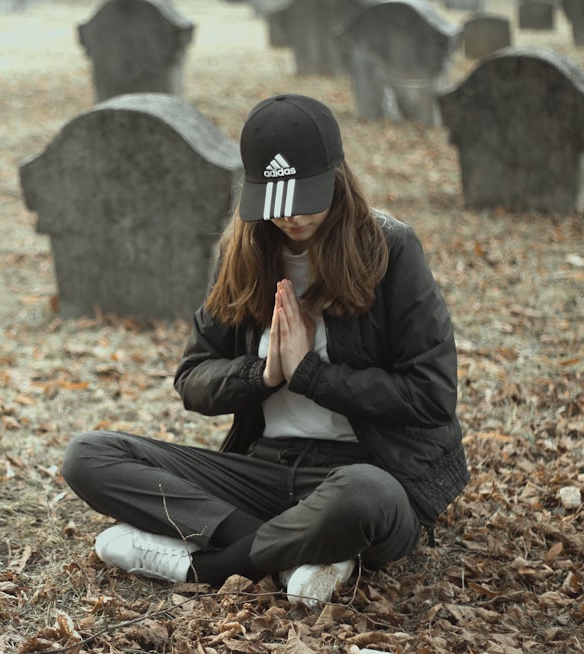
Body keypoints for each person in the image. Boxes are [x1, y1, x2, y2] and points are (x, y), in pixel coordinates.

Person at [60, 93, 469, 607]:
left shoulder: (391, 250)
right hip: (266, 471)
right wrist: (265, 374)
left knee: (365, 495)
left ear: (337, 177)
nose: (292, 217)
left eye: (305, 197)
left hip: (367, 471)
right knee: (89, 455)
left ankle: (209, 566)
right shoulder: (245, 254)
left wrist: (311, 376)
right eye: (277, 204)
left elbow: (431, 396)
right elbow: (193, 377)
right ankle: (300, 552)